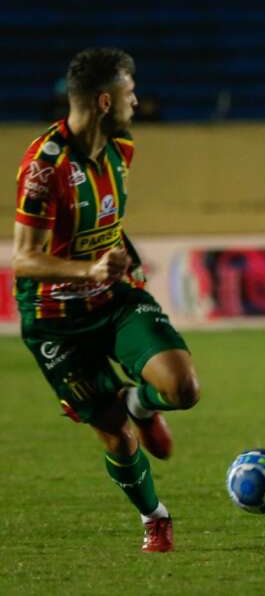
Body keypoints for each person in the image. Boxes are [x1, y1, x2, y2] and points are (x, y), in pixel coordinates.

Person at [13, 48, 199, 552]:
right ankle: (154, 517)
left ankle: (139, 400)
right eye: (129, 92)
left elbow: (105, 220)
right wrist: (87, 268)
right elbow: (24, 259)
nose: (137, 101)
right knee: (114, 434)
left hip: (114, 297)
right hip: (55, 321)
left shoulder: (121, 147)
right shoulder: (42, 168)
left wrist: (119, 258)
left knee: (183, 388)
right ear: (102, 100)